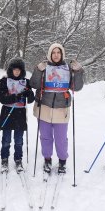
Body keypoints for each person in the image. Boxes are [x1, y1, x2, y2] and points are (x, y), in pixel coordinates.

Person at [30, 43, 84, 174]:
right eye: (53, 52)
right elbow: (34, 84)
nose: (56, 55)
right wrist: (38, 70)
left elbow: (76, 87)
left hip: (61, 108)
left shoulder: (68, 68)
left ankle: (62, 161)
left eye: (58, 52)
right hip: (44, 107)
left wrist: (78, 72)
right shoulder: (44, 67)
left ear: (62, 54)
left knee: (61, 138)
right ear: (50, 54)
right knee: (45, 137)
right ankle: (47, 159)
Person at [0, 58, 34, 173]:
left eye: (19, 70)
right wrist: (15, 97)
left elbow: (31, 99)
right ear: (11, 70)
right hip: (7, 112)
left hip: (20, 114)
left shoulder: (26, 82)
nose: (17, 72)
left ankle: (18, 159)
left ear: (22, 71)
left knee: (18, 140)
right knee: (6, 140)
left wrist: (29, 93)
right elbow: (1, 98)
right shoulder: (5, 81)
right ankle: (4, 159)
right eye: (14, 69)